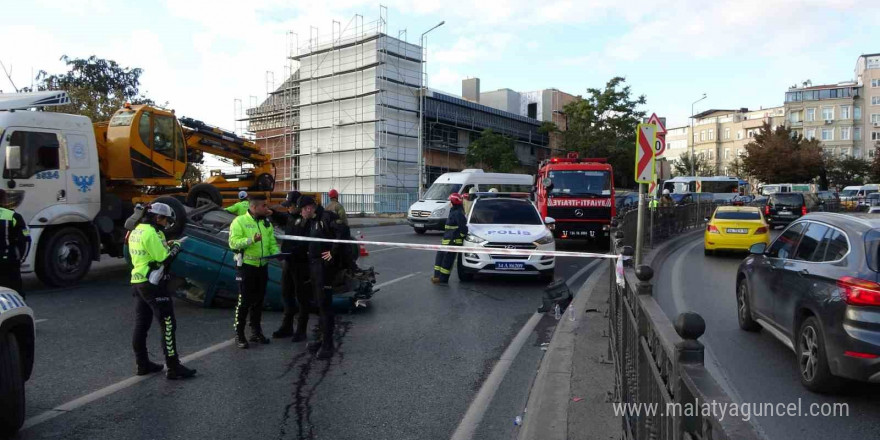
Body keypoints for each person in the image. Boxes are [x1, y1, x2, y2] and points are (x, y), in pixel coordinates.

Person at [128, 203, 196, 380]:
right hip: (153, 284)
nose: (167, 224)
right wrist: (176, 248)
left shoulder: (137, 230)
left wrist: (167, 243)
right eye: (166, 220)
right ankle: (173, 367)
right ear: (158, 217)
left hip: (138, 281)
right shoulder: (151, 233)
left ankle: (142, 364)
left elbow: (148, 252)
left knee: (141, 325)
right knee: (168, 325)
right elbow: (163, 258)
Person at [228, 194, 281, 349]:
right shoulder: (239, 221)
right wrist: (251, 240)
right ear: (253, 207)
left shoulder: (266, 223)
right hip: (246, 266)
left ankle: (256, 332)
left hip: (262, 266)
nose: (267, 208)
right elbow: (233, 243)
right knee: (244, 301)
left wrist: (276, 253)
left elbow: (271, 242)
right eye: (264, 206)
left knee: (258, 301)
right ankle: (239, 334)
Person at [305, 199, 348, 359]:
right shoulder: (314, 220)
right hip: (315, 267)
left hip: (325, 268)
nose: (302, 213)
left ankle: (328, 345)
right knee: (319, 305)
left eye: (302, 210)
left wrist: (333, 252)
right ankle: (322, 339)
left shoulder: (326, 217)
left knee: (325, 305)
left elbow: (343, 231)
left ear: (308, 208)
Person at [269, 191, 312, 342]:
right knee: (286, 293)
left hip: (301, 264)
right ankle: (287, 326)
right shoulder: (290, 217)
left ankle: (301, 330)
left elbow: (306, 244)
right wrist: (271, 212)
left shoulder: (307, 220)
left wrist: (291, 252)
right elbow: (281, 217)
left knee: (302, 297)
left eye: (291, 206)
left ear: (298, 206)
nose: (288, 209)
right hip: (288, 262)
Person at [431, 193, 468, 284]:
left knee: (447, 261)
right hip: (447, 241)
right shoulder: (454, 212)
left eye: (450, 201)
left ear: (453, 202)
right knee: (440, 257)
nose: (449, 203)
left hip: (453, 242)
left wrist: (459, 238)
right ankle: (437, 277)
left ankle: (443, 279)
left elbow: (463, 229)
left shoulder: (458, 213)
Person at [0, 189, 30, 295]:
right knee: (15, 294)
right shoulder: (13, 216)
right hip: (9, 262)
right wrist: (21, 258)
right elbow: (26, 239)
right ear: (4, 200)